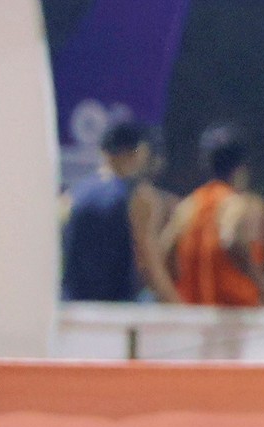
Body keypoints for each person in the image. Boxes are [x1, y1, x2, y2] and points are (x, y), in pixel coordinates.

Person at [59, 120, 178, 303]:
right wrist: (177, 306)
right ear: (138, 152)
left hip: (74, 305)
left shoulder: (73, 195)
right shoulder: (138, 197)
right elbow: (149, 263)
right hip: (116, 309)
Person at [166, 125, 264, 307]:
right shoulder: (238, 203)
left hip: (196, 314)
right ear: (241, 168)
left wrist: (176, 297)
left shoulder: (189, 205)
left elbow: (166, 251)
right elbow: (231, 239)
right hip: (237, 313)